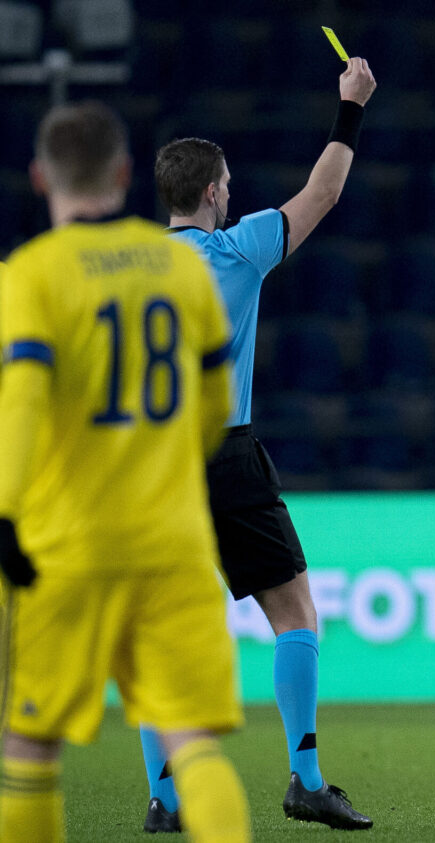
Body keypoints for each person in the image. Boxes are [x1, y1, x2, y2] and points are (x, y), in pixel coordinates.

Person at [138, 57, 377, 833]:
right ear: (212, 191)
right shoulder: (237, 251)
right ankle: (305, 778)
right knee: (294, 611)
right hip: (224, 453)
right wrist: (350, 108)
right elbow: (325, 192)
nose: (232, 192)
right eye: (229, 183)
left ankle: (164, 798)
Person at [0, 101, 250, 842]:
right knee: (192, 742)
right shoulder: (181, 270)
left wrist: (6, 513)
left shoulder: (31, 275)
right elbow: (212, 411)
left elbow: (22, 404)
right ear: (123, 173)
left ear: (42, 177)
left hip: (65, 546)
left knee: (29, 748)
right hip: (170, 545)